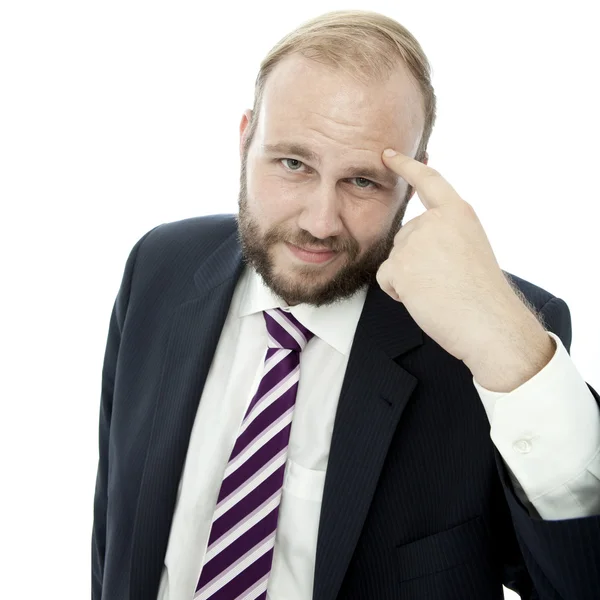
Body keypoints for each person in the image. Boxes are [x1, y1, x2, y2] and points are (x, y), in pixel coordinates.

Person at [91, 9, 600, 600]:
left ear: (412, 184)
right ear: (244, 139)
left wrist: (511, 349)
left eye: (362, 181)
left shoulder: (500, 339)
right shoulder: (160, 267)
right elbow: (116, 530)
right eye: (293, 163)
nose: (319, 222)